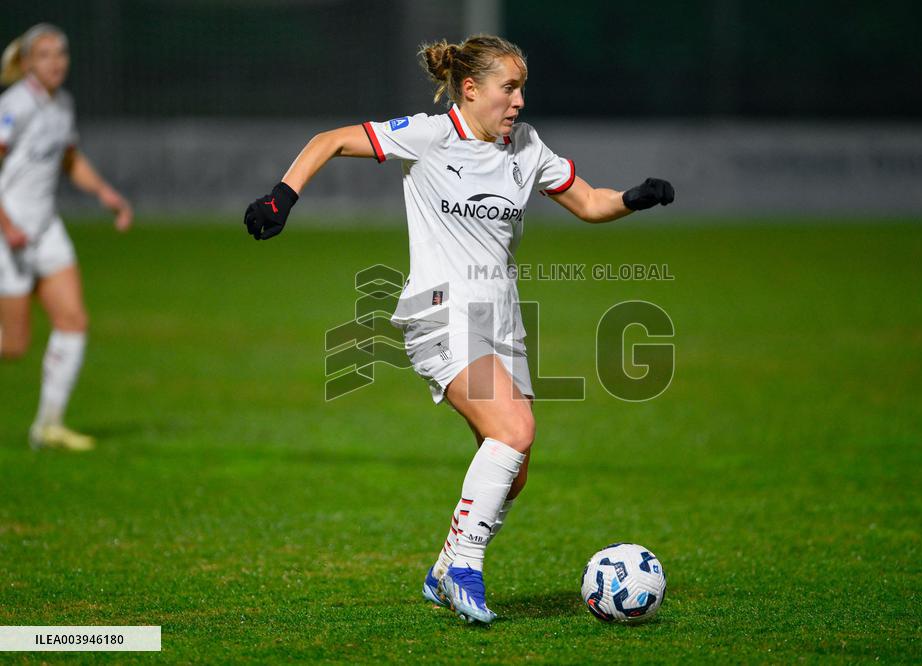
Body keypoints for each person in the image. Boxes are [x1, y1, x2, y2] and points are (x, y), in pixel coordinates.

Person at [244, 34, 674, 624]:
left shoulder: (526, 146)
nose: (519, 101)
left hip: (503, 319)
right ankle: (466, 567)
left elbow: (589, 202)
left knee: (513, 470)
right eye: (509, 88)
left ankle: (442, 570)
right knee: (515, 426)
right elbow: (331, 139)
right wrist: (282, 196)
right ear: (470, 90)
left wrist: (635, 197)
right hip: (439, 311)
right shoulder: (431, 134)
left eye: (523, 88)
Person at [0, 24, 133, 451]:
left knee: (73, 321)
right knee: (14, 345)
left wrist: (104, 193)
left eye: (61, 53)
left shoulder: (62, 105)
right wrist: (8, 226)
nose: (55, 62)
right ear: (25, 63)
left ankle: (48, 425)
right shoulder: (14, 106)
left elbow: (70, 158)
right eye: (44, 54)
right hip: (8, 234)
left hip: (45, 229)